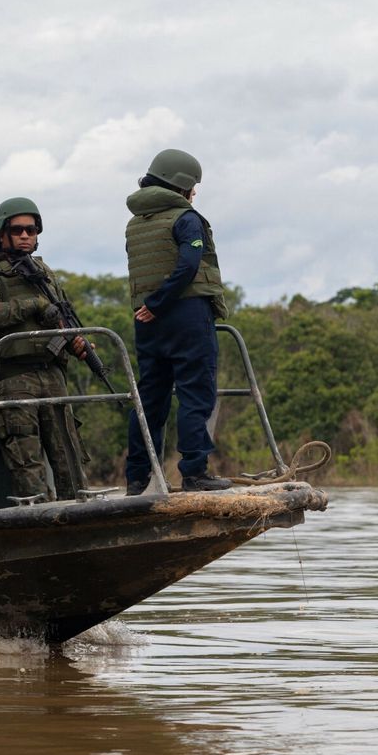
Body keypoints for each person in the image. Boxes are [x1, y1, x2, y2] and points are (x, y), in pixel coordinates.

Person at [124, 148, 232, 495]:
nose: (195, 194)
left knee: (151, 399)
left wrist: (152, 307)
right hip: (184, 316)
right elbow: (188, 266)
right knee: (195, 395)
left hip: (147, 322)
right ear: (181, 185)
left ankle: (138, 478)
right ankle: (195, 473)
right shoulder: (185, 219)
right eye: (193, 187)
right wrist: (161, 303)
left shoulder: (136, 223)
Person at [0, 197, 88, 502]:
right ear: (2, 233)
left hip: (51, 374)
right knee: (27, 464)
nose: (25, 236)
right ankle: (40, 523)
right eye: (18, 230)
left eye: (31, 230)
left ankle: (80, 517)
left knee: (69, 459)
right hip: (13, 379)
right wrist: (32, 305)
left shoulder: (43, 272)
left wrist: (75, 340)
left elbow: (60, 315)